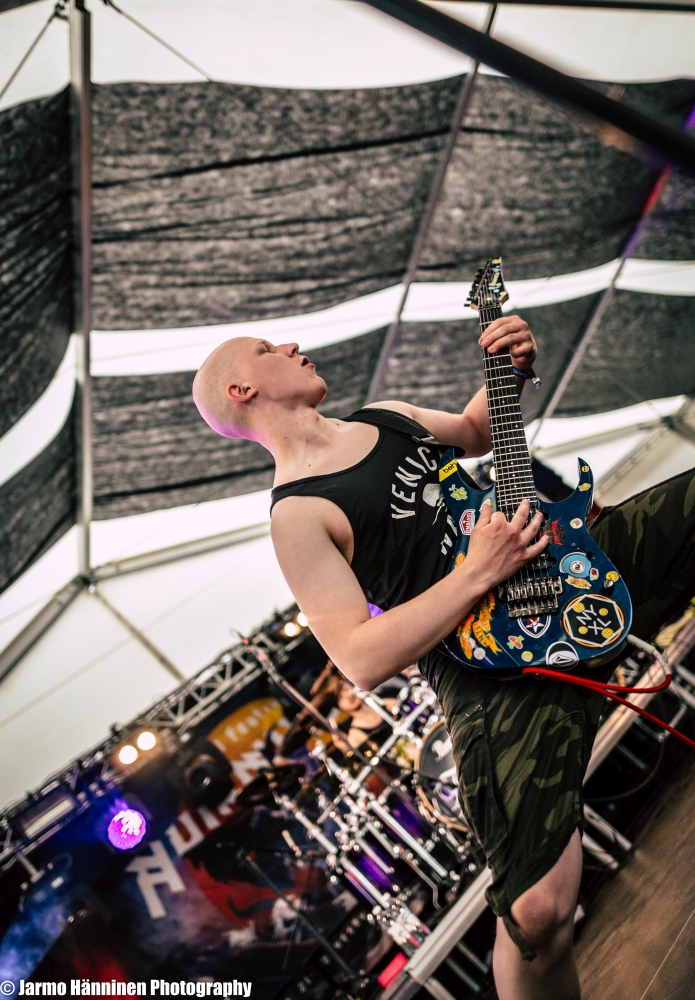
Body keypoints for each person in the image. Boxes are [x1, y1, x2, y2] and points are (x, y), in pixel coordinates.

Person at [192, 319, 695, 1000]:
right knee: (535, 913)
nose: (290, 347)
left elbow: (477, 431)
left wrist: (509, 368)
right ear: (241, 390)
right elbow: (359, 656)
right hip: (488, 673)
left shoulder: (386, 416)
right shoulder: (297, 515)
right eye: (266, 349)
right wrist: (477, 572)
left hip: (567, 571)